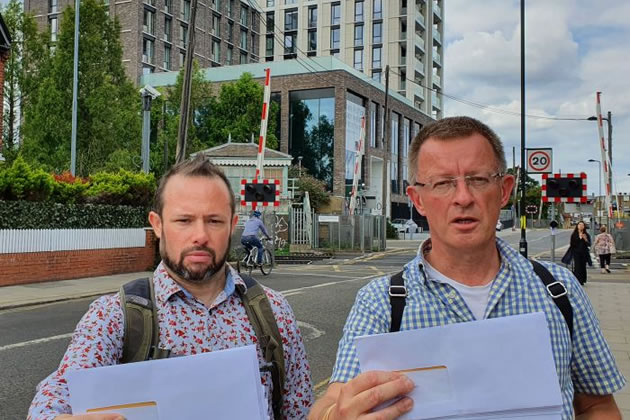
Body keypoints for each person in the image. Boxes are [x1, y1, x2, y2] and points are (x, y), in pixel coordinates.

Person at [308, 117, 625, 420]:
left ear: (503, 190)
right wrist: (335, 415)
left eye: (477, 179)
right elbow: (332, 402)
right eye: (443, 183)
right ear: (418, 199)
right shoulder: (380, 302)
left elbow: (597, 406)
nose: (463, 197)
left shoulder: (559, 289)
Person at [29, 156, 313, 420]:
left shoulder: (273, 311)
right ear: (158, 225)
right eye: (184, 220)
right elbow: (54, 396)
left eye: (214, 221)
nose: (200, 236)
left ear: (232, 225)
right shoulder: (116, 315)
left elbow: (299, 410)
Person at [570, 221, 591, 285]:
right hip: (576, 253)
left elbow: (589, 244)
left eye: (582, 225)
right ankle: (577, 280)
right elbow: (572, 244)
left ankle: (582, 280)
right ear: (577, 226)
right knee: (577, 266)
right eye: (579, 225)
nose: (581, 226)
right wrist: (579, 238)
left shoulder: (586, 235)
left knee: (583, 266)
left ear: (584, 227)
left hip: (584, 253)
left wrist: (585, 239)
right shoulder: (574, 234)